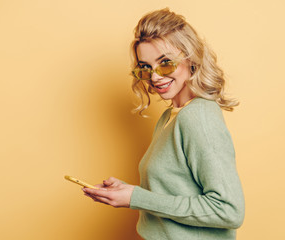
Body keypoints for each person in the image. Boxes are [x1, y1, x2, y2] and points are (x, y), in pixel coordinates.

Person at [83, 7, 245, 240]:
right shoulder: (171, 116)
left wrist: (136, 197)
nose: (155, 77)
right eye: (145, 67)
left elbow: (229, 210)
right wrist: (126, 192)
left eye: (165, 63)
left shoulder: (198, 118)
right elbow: (175, 190)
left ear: (191, 58)